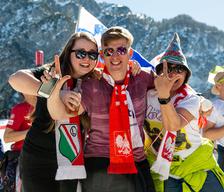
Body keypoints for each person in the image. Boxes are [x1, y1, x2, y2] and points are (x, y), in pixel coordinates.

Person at [48, 26, 155, 192]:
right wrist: (55, 92)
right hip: (101, 162)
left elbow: (170, 84)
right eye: (108, 51)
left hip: (137, 161)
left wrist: (199, 103)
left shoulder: (143, 77)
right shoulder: (91, 85)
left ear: (130, 53)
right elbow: (59, 114)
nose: (115, 56)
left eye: (121, 50)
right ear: (102, 56)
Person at [8, 31, 100, 192]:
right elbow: (15, 79)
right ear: (68, 52)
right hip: (37, 157)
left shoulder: (94, 83)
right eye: (80, 53)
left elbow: (62, 113)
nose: (87, 58)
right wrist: (50, 90)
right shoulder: (51, 73)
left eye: (92, 54)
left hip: (71, 159)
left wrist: (57, 94)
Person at [144, 33, 224, 192]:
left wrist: (164, 96)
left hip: (195, 165)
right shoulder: (147, 95)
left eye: (179, 69)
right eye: (167, 67)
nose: (172, 73)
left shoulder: (191, 99)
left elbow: (174, 125)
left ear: (185, 76)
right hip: (164, 169)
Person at [2, 93, 36, 192]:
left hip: (45, 157)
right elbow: (7, 137)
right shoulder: (20, 109)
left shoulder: (49, 107)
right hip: (21, 159)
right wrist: (33, 131)